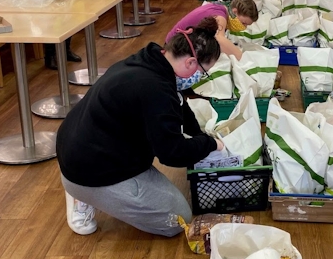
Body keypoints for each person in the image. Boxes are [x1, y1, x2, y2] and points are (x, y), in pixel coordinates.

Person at [56, 21, 224, 237]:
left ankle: (90, 191)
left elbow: (179, 104)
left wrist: (199, 135)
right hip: (89, 169)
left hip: (82, 146)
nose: (201, 77)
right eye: (204, 71)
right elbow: (172, 153)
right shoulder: (155, 89)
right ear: (191, 62)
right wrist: (210, 144)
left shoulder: (152, 60)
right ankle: (84, 195)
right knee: (177, 219)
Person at [166, 0, 258, 61]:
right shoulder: (220, 17)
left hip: (176, 44)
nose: (244, 27)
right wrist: (243, 59)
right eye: (243, 23)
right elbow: (220, 40)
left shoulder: (219, 7)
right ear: (235, 12)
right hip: (173, 49)